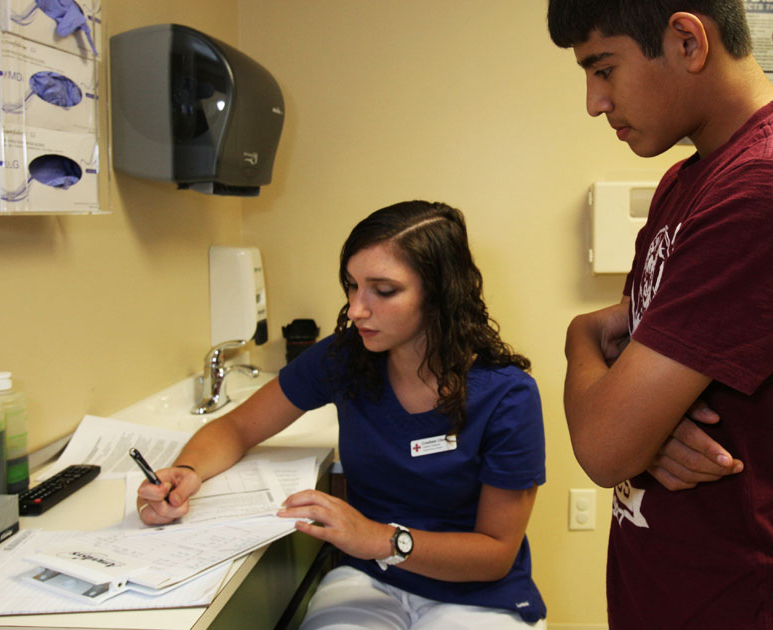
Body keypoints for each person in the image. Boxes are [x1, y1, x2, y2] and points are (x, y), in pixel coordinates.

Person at [549, 1, 773, 628]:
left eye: (604, 68)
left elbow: (603, 445)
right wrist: (640, 424)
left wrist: (578, 343)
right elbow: (635, 345)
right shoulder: (689, 181)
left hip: (754, 600)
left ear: (686, 41)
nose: (594, 101)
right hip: (672, 585)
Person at [137, 200, 547, 629]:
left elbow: (495, 554)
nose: (356, 309)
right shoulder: (345, 358)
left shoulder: (507, 395)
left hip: (476, 594)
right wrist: (186, 471)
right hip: (369, 579)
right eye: (352, 286)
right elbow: (238, 427)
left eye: (383, 291)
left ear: (440, 293)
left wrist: (381, 538)